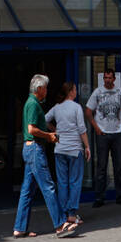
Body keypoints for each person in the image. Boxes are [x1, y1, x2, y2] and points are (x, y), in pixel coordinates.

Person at [13, 74, 77, 238]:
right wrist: (48, 136)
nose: (47, 91)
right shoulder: (33, 104)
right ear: (39, 88)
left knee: (27, 191)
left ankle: (19, 228)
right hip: (35, 149)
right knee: (48, 186)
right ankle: (60, 224)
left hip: (29, 149)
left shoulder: (30, 102)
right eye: (46, 88)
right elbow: (31, 129)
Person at [46, 82, 91, 229]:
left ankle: (65, 214)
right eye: (75, 90)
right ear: (71, 92)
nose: (76, 92)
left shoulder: (57, 108)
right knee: (75, 181)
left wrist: (54, 130)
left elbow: (44, 119)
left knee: (62, 182)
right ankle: (72, 214)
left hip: (60, 149)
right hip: (74, 149)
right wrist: (87, 146)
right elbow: (82, 129)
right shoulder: (76, 107)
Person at [85, 68, 121, 208]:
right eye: (105, 78)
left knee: (119, 166)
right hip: (103, 134)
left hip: (117, 134)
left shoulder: (120, 92)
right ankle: (99, 197)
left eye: (110, 78)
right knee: (101, 166)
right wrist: (97, 128)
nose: (107, 80)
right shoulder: (98, 92)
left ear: (114, 79)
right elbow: (88, 111)